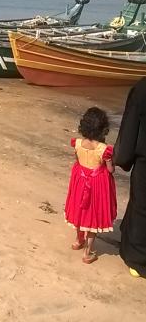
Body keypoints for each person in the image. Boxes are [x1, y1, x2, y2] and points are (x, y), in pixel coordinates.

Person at [65, 107, 117, 264]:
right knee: (93, 216)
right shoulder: (104, 150)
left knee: (79, 210)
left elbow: (77, 160)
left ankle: (77, 241)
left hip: (80, 181)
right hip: (97, 185)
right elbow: (110, 169)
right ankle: (87, 253)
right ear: (103, 129)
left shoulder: (78, 143)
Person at [114, 77, 146, 278]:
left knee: (142, 207)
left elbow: (130, 126)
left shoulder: (142, 89)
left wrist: (122, 158)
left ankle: (138, 259)